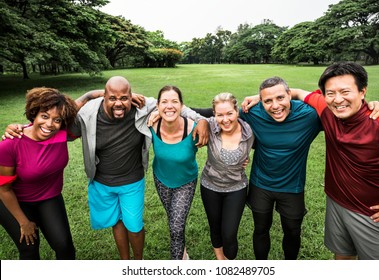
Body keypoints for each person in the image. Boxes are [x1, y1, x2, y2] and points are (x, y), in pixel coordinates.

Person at [3, 76, 209, 260]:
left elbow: (172, 105)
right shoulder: (87, 115)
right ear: (105, 97)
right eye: (112, 97)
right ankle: (125, 264)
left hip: (132, 180)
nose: (118, 103)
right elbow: (54, 121)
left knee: (134, 225)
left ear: (132, 97)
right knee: (116, 223)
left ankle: (138, 264)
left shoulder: (143, 107)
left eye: (124, 97)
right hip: (102, 182)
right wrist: (21, 127)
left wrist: (200, 120)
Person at [236, 77, 379, 260]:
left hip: (292, 187)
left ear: (289, 95)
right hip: (260, 183)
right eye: (268, 101)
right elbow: (224, 116)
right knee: (261, 229)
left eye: (280, 98)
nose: (275, 106)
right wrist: (199, 120)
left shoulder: (310, 115)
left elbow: (345, 108)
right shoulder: (252, 112)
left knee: (293, 232)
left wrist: (378, 105)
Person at [290, 62, 379, 260]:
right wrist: (259, 98)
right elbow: (296, 92)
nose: (338, 100)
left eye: (345, 91)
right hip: (336, 201)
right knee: (342, 257)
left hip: (371, 214)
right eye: (330, 93)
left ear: (363, 91)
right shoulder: (326, 109)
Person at [0, 87, 78, 259]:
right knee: (29, 248)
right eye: (44, 116)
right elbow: (4, 190)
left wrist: (98, 93)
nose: (49, 124)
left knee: (64, 246)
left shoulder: (60, 134)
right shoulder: (10, 144)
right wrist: (23, 222)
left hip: (48, 197)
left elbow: (79, 105)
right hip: (13, 200)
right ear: (34, 113)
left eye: (56, 120)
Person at [149, 85, 202, 260]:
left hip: (186, 181)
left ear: (182, 106)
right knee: (174, 219)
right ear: (157, 105)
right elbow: (129, 100)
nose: (169, 106)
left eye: (174, 101)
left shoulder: (195, 129)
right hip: (161, 178)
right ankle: (182, 249)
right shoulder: (151, 125)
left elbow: (224, 126)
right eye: (164, 102)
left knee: (176, 227)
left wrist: (240, 158)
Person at [200, 93, 254, 260]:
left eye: (229, 113)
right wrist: (158, 110)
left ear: (237, 111)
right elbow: (183, 110)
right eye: (219, 115)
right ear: (213, 114)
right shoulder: (209, 125)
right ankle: (220, 261)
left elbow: (275, 102)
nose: (225, 119)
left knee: (229, 233)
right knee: (215, 227)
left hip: (236, 188)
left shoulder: (249, 130)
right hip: (209, 185)